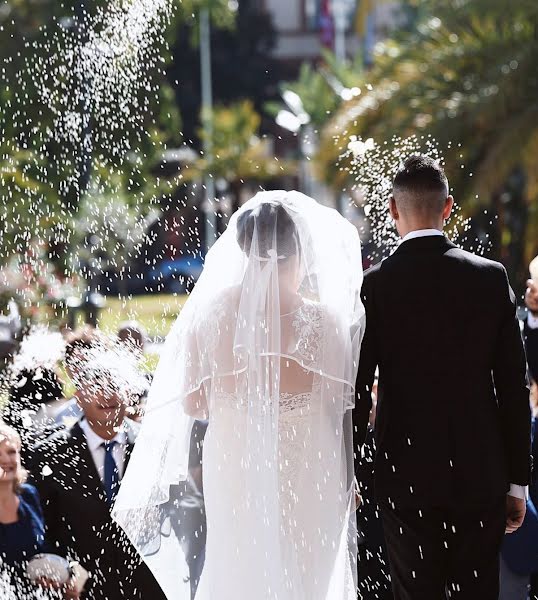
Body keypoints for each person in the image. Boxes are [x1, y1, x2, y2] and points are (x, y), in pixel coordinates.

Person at [112, 191, 365, 600]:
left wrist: (241, 401)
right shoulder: (326, 322)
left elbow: (194, 405)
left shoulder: (210, 315)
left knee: (239, 568)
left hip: (235, 466)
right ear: (299, 248)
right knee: (307, 577)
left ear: (244, 247)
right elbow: (340, 406)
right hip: (310, 470)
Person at [355, 155, 531, 600]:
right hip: (480, 472)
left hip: (404, 475)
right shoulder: (490, 279)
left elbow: (356, 390)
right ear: (448, 207)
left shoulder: (377, 286)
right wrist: (517, 482)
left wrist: (358, 471)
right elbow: (513, 387)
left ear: (393, 209)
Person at [29, 349, 166, 600]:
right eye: (96, 385)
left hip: (151, 587)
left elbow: (180, 510)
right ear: (78, 397)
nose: (107, 394)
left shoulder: (154, 447)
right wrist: (60, 570)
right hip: (84, 591)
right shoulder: (50, 454)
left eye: (115, 384)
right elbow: (40, 526)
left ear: (130, 392)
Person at [0, 422, 78, 599]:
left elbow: (46, 549)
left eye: (11, 451)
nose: (6, 459)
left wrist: (60, 578)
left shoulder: (29, 495)